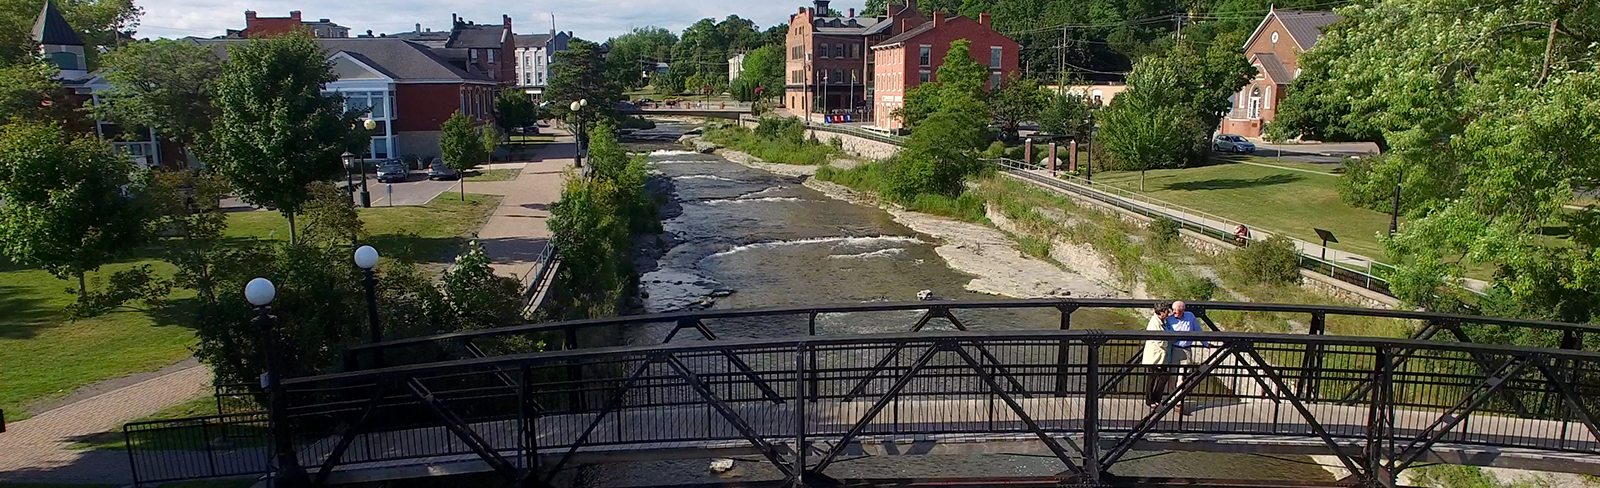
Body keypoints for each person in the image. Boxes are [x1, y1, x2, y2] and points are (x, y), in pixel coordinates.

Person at [1166, 301, 1206, 414]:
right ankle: (1174, 399)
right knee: (1173, 376)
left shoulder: (1190, 316)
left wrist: (1206, 344)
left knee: (1182, 377)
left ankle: (1179, 399)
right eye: (1174, 311)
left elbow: (1197, 330)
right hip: (1174, 350)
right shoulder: (1169, 319)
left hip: (1186, 350)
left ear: (1183, 310)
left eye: (1178, 311)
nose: (1176, 313)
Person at [1143, 302, 1175, 408]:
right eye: (1167, 311)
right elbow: (1159, 341)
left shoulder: (1161, 321)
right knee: (1153, 378)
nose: (1168, 313)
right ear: (1162, 312)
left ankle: (1156, 398)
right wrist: (1170, 341)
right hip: (1154, 356)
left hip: (1159, 356)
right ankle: (1150, 400)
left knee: (1162, 376)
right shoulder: (1155, 324)